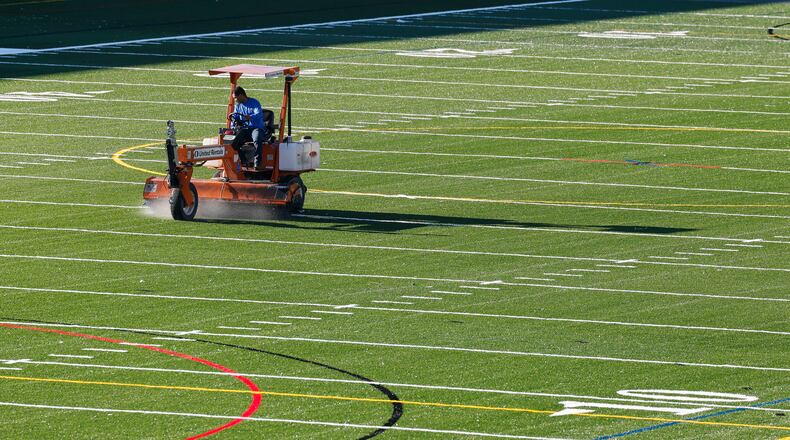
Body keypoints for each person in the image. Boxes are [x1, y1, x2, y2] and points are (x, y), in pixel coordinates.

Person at [228, 86, 267, 169]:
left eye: (235, 98)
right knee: (233, 143)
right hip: (245, 129)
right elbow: (235, 117)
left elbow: (258, 114)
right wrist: (233, 124)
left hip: (256, 128)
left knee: (257, 139)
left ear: (241, 95)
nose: (235, 100)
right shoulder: (238, 106)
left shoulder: (254, 102)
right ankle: (244, 160)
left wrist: (250, 117)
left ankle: (257, 162)